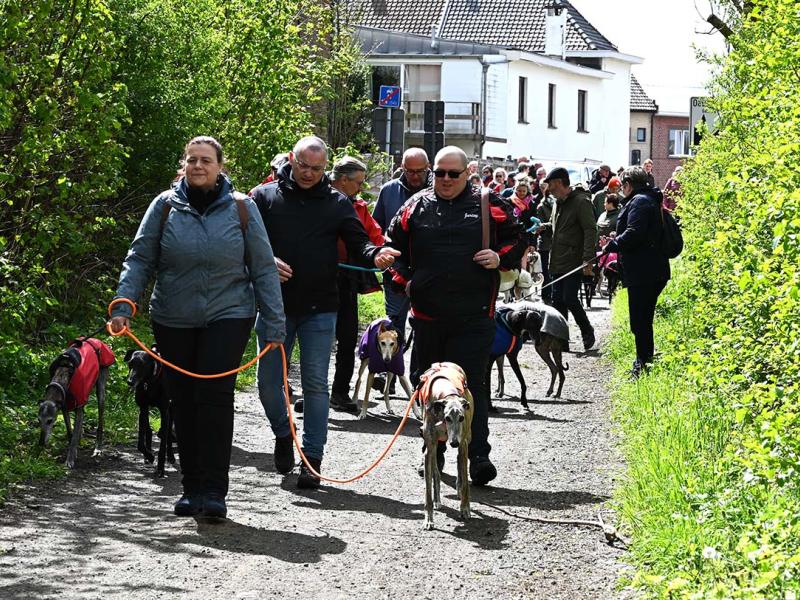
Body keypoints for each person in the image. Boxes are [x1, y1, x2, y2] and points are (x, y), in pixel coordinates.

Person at [110, 136, 286, 519]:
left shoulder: (242, 208)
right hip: (173, 317)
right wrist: (124, 303)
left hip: (229, 314)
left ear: (220, 166)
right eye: (192, 160)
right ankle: (191, 488)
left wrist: (274, 324)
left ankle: (215, 491)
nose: (198, 166)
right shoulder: (164, 206)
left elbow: (262, 268)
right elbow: (139, 258)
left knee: (214, 397)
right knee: (183, 401)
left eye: (206, 160)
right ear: (184, 165)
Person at [250, 136, 399, 489]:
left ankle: (312, 459)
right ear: (291, 159)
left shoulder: (337, 203)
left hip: (320, 307)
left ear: (326, 169)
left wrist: (375, 255)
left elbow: (360, 242)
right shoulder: (263, 197)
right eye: (303, 165)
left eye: (317, 169)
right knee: (268, 384)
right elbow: (242, 242)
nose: (308, 173)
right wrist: (265, 261)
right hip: (273, 306)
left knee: (316, 384)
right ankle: (284, 433)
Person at [386, 146, 525, 486]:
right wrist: (407, 283)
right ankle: (433, 452)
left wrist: (500, 257)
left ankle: (478, 455)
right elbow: (390, 250)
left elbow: (520, 237)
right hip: (427, 317)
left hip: (474, 315)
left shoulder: (489, 204)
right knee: (428, 388)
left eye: (453, 174)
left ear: (467, 174)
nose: (445, 179)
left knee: (472, 387)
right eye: (440, 173)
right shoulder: (414, 206)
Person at [329, 156, 386, 411]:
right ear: (343, 180)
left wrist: (383, 252)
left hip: (347, 280)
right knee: (315, 338)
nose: (361, 188)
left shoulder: (359, 206)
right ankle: (312, 393)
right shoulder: (319, 200)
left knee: (347, 335)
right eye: (359, 183)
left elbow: (374, 236)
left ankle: (340, 392)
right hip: (317, 278)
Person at [602, 166, 670, 377]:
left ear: (629, 184)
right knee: (642, 320)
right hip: (649, 269)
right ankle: (643, 361)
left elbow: (635, 233)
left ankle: (642, 364)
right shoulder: (647, 199)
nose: (622, 189)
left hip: (644, 271)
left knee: (640, 321)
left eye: (623, 185)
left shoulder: (639, 201)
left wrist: (613, 244)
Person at [372, 148, 431, 351]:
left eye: (420, 171)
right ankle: (390, 365)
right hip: (395, 270)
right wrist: (381, 252)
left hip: (429, 271)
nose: (415, 176)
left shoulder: (439, 190)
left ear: (428, 167)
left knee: (427, 327)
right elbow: (375, 228)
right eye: (410, 171)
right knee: (394, 323)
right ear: (402, 168)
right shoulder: (389, 191)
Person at [538, 167, 597, 351]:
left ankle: (587, 331)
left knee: (569, 298)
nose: (549, 189)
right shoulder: (558, 203)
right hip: (557, 259)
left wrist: (588, 259)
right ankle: (561, 340)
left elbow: (590, 230)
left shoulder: (581, 202)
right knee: (557, 301)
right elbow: (557, 227)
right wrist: (545, 227)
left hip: (573, 260)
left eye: (551, 185)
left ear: (560, 183)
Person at [536, 183, 555, 305]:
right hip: (546, 243)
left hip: (557, 243)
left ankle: (554, 294)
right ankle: (546, 295)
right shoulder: (541, 206)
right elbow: (541, 227)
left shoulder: (559, 204)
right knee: (546, 272)